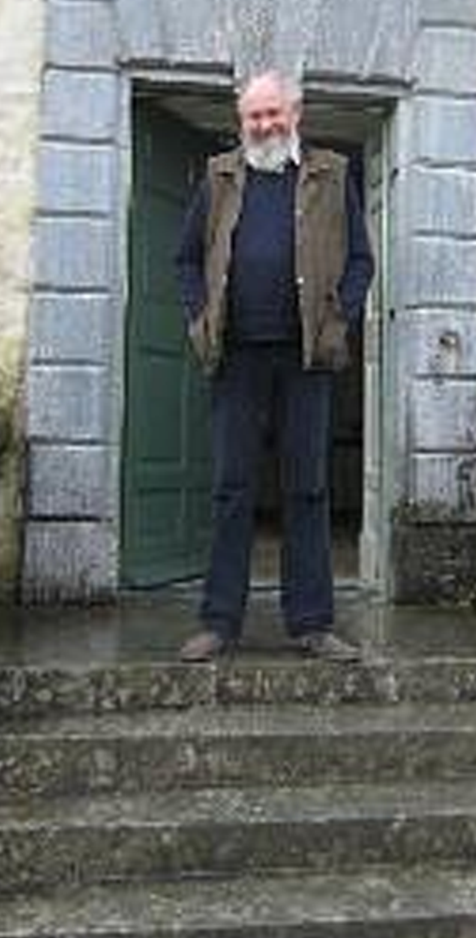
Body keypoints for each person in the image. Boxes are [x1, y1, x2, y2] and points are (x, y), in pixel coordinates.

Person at [174, 70, 374, 662]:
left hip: (307, 358)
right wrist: (200, 317)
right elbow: (186, 259)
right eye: (253, 116)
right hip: (236, 356)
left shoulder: (332, 175)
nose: (263, 125)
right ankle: (219, 622)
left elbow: (361, 261)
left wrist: (340, 321)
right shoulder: (219, 176)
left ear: (295, 113)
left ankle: (311, 623)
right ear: (243, 122)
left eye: (272, 113)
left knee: (307, 489)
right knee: (232, 489)